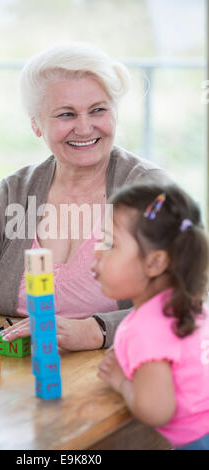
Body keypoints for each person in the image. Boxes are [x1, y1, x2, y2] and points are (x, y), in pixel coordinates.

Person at [0, 42, 171, 351]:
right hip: (18, 378)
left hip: (123, 372)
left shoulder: (150, 189)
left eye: (98, 109)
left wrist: (97, 330)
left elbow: (189, 298)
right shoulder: (12, 195)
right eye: (65, 114)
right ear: (36, 124)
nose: (85, 127)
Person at [94, 182, 209, 450]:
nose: (97, 250)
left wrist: (121, 382)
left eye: (111, 243)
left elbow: (157, 410)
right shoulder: (191, 304)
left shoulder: (144, 329)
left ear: (155, 262)